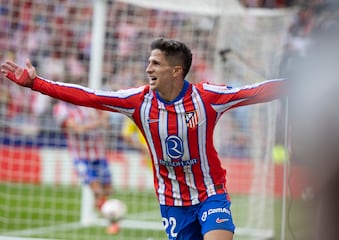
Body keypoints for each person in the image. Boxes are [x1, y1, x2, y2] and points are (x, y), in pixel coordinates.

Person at [1, 37, 286, 240]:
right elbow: (89, 96)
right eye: (149, 62)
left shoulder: (207, 97)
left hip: (211, 193)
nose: (148, 68)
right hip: (172, 201)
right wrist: (36, 84)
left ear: (176, 71)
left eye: (155, 63)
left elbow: (253, 92)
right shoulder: (137, 102)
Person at [52, 100, 119, 234]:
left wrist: (105, 118)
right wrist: (99, 122)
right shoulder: (60, 108)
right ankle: (112, 221)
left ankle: (104, 211)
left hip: (98, 153)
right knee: (96, 188)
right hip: (80, 156)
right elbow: (77, 128)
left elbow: (106, 115)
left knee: (108, 189)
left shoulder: (85, 102)